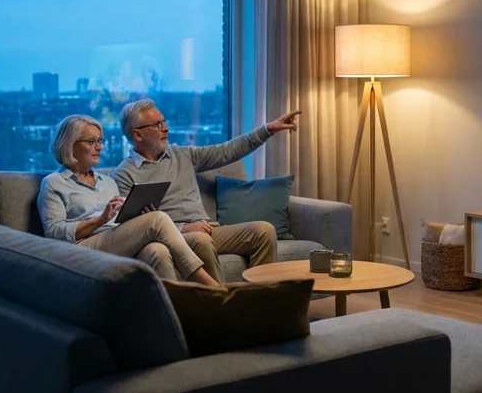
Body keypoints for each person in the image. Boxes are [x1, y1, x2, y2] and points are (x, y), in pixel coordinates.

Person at [111, 99, 301, 280]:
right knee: (201, 239)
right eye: (157, 124)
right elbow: (131, 229)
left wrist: (268, 130)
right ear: (137, 135)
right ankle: (220, 303)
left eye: (164, 122)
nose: (166, 128)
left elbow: (227, 151)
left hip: (208, 229)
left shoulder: (183, 155)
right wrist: (183, 228)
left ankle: (263, 301)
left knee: (263, 230)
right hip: (173, 239)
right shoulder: (124, 174)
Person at [37, 114, 219, 286]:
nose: (99, 147)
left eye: (100, 141)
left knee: (158, 251)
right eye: (91, 142)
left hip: (116, 241)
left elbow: (120, 224)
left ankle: (174, 313)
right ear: (69, 144)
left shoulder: (107, 182)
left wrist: (135, 214)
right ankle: (211, 286)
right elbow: (53, 232)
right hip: (82, 249)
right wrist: (100, 220)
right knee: (158, 217)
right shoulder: (54, 183)